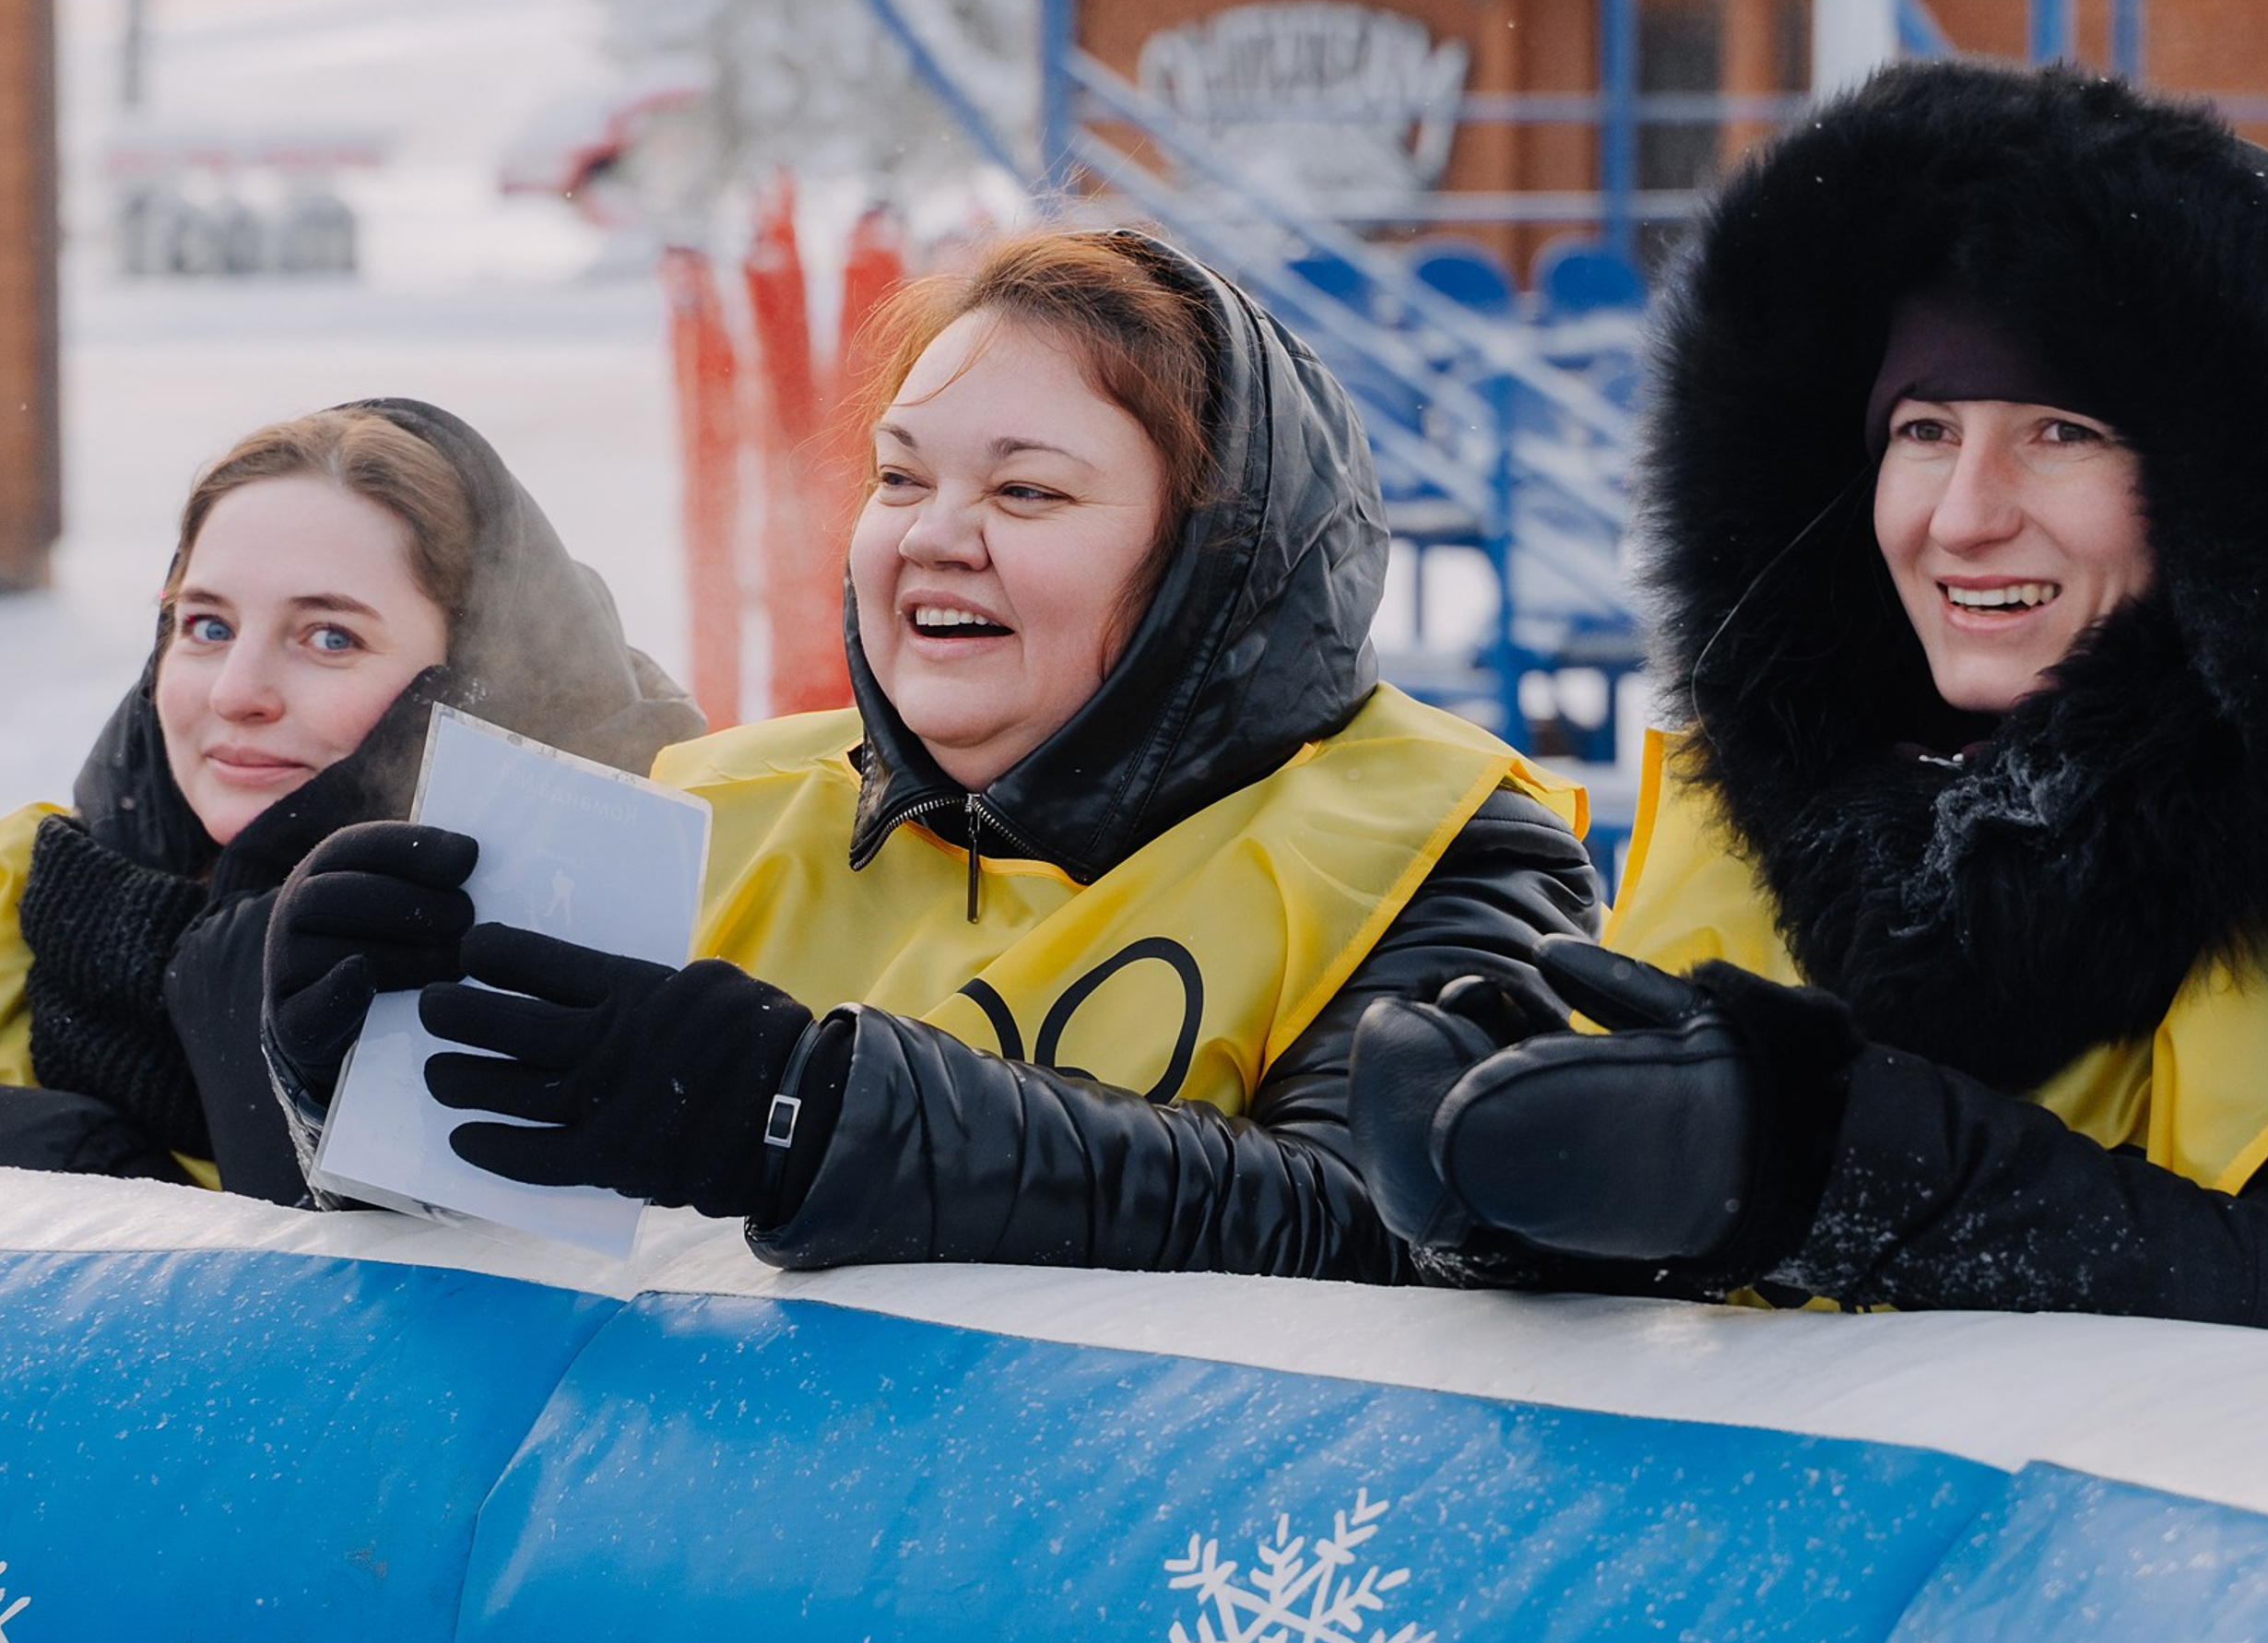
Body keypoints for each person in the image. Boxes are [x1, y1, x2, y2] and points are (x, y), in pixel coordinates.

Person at [263, 230, 1601, 1276]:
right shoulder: (712, 807)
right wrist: (361, 1090)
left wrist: (807, 1115)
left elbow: (1391, 1237)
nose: (933, 536)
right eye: (901, 479)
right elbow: (514, 1273)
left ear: (1214, 563)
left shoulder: (1432, 835)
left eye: (1026, 490)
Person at [1350, 58, 2268, 1345]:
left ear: (2233, 490)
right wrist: (1534, 1202)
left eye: (2063, 431)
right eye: (1924, 430)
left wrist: (1820, 1163)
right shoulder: (1766, 811)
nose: (1965, 516)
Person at [0, 399, 702, 1201]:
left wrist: (267, 1062)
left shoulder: (620, 968)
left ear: (472, 684)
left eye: (330, 638)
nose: (237, 693)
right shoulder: (27, 889)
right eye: (206, 626)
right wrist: (67, 1164)